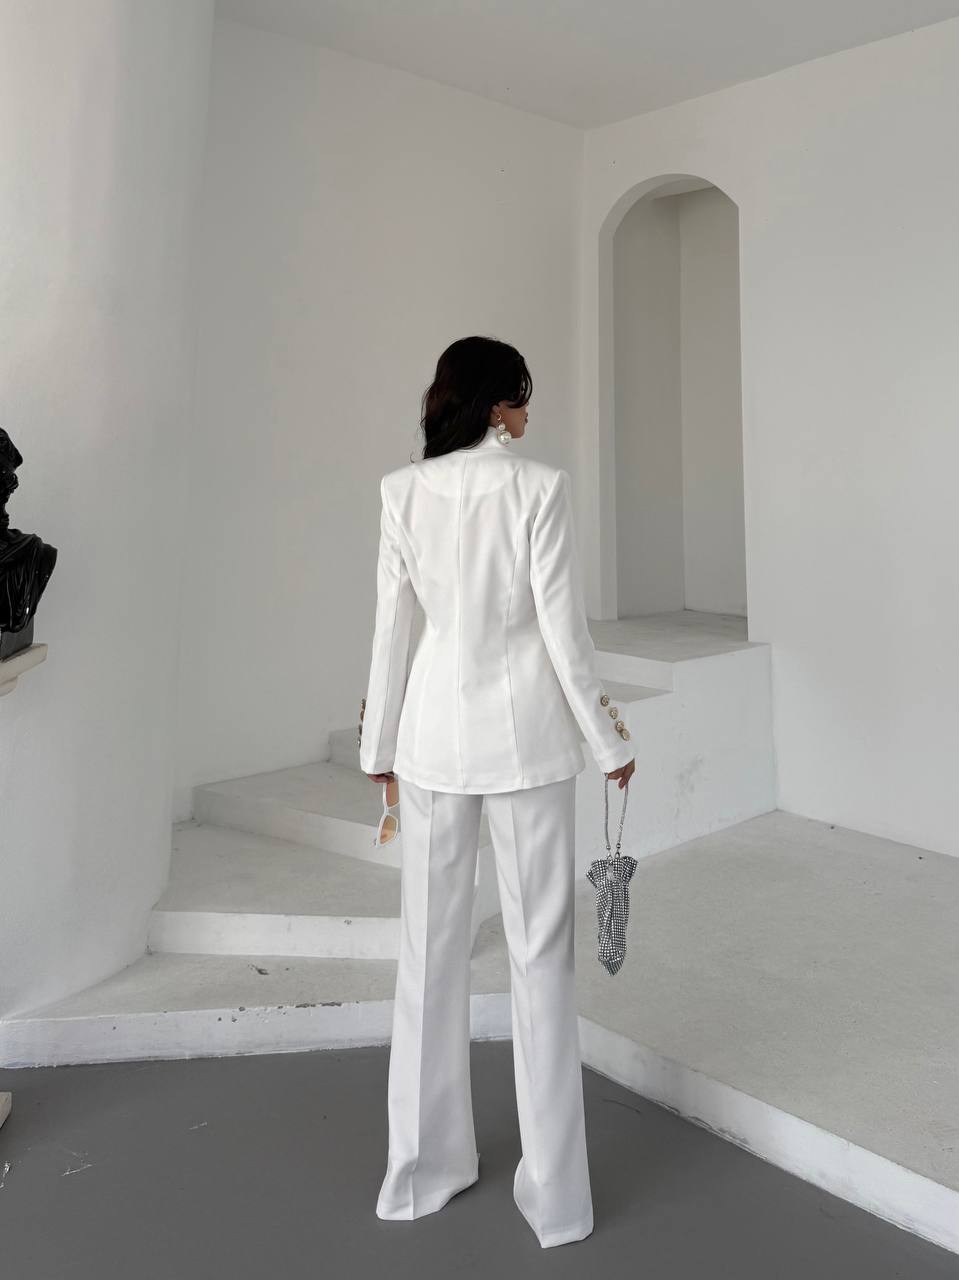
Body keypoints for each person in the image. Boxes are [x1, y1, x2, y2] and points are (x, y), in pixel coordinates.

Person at [358, 335, 636, 1248]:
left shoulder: (402, 491)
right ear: (493, 406)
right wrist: (607, 738)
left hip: (432, 739)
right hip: (526, 745)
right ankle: (556, 1201)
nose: (527, 412)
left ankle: (417, 1175)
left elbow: (391, 631)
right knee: (540, 958)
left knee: (427, 956)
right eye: (521, 396)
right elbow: (561, 631)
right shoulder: (540, 488)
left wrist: (377, 745)